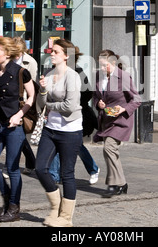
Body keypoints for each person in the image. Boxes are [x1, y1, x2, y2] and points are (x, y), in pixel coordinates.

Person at [0, 37, 35, 223]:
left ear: (8, 54)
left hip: (14, 126)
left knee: (12, 168)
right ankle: (8, 196)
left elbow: (31, 96)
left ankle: (13, 208)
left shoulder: (21, 72)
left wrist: (19, 115)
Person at [34, 39, 83, 227]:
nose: (51, 54)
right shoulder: (48, 73)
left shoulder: (72, 76)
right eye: (51, 51)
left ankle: (66, 217)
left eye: (55, 51)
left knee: (67, 173)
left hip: (70, 130)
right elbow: (40, 104)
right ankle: (55, 208)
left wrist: (49, 105)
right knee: (40, 168)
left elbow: (70, 106)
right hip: (50, 129)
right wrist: (43, 90)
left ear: (66, 55)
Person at [93, 49, 141, 198]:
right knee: (109, 151)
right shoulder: (99, 76)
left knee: (109, 147)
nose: (101, 69)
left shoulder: (123, 77)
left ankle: (115, 184)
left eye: (104, 65)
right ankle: (122, 184)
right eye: (100, 65)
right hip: (106, 120)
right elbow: (96, 97)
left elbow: (137, 99)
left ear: (113, 63)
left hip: (121, 120)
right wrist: (98, 104)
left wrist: (124, 109)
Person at [49, 64, 100, 185]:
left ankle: (93, 169)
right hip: (57, 115)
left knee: (77, 146)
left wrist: (73, 102)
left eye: (57, 52)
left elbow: (88, 93)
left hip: (74, 115)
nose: (52, 55)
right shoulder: (52, 71)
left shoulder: (77, 71)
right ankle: (54, 175)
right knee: (55, 144)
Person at [13, 36, 37, 175]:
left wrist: (29, 104)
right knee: (17, 133)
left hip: (24, 103)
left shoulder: (30, 62)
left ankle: (13, 165)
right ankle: (31, 161)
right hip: (11, 102)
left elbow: (32, 86)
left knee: (18, 133)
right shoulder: (8, 59)